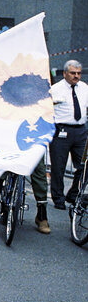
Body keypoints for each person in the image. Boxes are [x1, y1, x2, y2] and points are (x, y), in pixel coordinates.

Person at [47, 60, 87, 210]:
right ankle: (58, 198)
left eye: (78, 73)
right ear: (65, 74)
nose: (76, 76)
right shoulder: (55, 89)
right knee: (58, 167)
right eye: (73, 73)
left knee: (83, 166)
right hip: (61, 131)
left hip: (80, 131)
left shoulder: (84, 88)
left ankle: (73, 193)